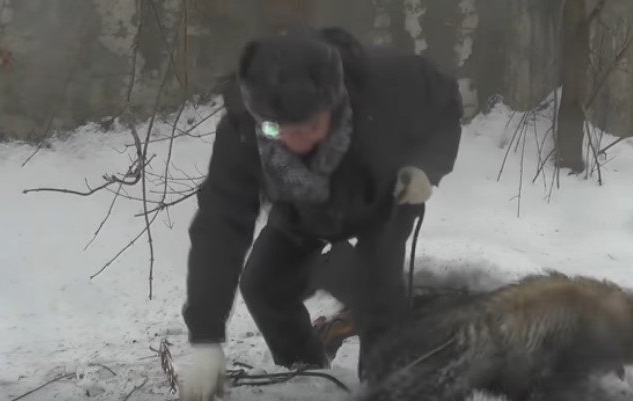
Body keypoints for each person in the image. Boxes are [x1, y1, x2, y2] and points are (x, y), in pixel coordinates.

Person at [179, 27, 462, 401]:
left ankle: (387, 386)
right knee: (263, 285)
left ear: (336, 99)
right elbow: (219, 226)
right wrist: (205, 338)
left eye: (311, 127)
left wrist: (429, 167)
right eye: (276, 129)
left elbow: (446, 107)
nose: (296, 143)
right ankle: (309, 375)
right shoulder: (243, 130)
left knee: (376, 291)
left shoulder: (391, 81)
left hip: (383, 195)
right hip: (303, 207)